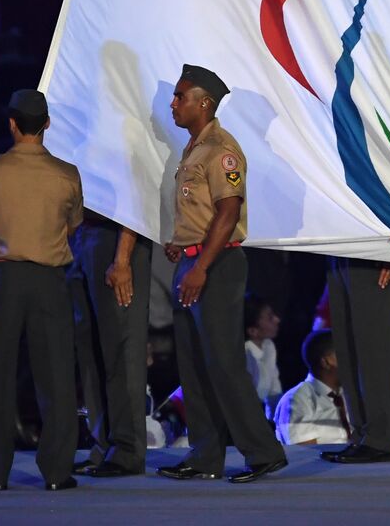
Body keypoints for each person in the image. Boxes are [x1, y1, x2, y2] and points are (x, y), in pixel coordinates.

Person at [158, 65, 287, 484]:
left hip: (216, 266)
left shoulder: (221, 149)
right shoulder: (195, 147)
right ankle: (204, 454)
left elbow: (229, 212)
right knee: (193, 363)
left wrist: (201, 265)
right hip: (193, 262)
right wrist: (185, 244)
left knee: (223, 362)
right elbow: (204, 212)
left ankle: (263, 452)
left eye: (180, 97)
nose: (173, 104)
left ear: (204, 103)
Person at [0, 89, 83, 491]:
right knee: (57, 377)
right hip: (49, 281)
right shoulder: (67, 174)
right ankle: (56, 472)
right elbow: (74, 223)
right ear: (47, 124)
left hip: (3, 279)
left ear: (12, 124)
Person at [66, 205, 153, 477]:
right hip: (80, 233)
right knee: (89, 348)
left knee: (122, 348)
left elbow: (136, 195)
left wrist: (123, 259)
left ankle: (127, 449)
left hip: (115, 237)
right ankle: (102, 444)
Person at [320, 256, 390, 464]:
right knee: (348, 349)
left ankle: (379, 439)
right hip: (337, 248)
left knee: (373, 349)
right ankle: (362, 435)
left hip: (373, 251)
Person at [273, 330, 352, 446]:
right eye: (346, 355)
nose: (353, 362)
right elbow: (305, 454)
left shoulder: (349, 395)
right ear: (326, 362)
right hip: (325, 464)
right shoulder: (297, 399)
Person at [243, 293, 283, 410]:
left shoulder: (268, 345)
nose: (277, 319)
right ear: (253, 331)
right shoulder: (246, 356)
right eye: (270, 318)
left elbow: (274, 391)